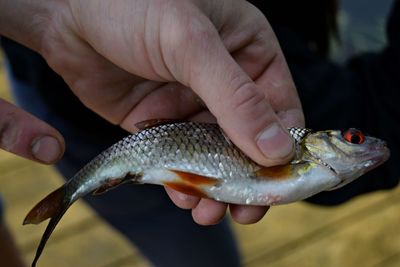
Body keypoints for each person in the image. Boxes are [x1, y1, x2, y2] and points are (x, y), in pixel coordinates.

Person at [0, 0, 399, 266]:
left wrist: (60, 15)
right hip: (67, 91)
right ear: (318, 141)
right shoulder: (294, 146)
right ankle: (74, 191)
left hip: (91, 85)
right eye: (353, 139)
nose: (359, 142)